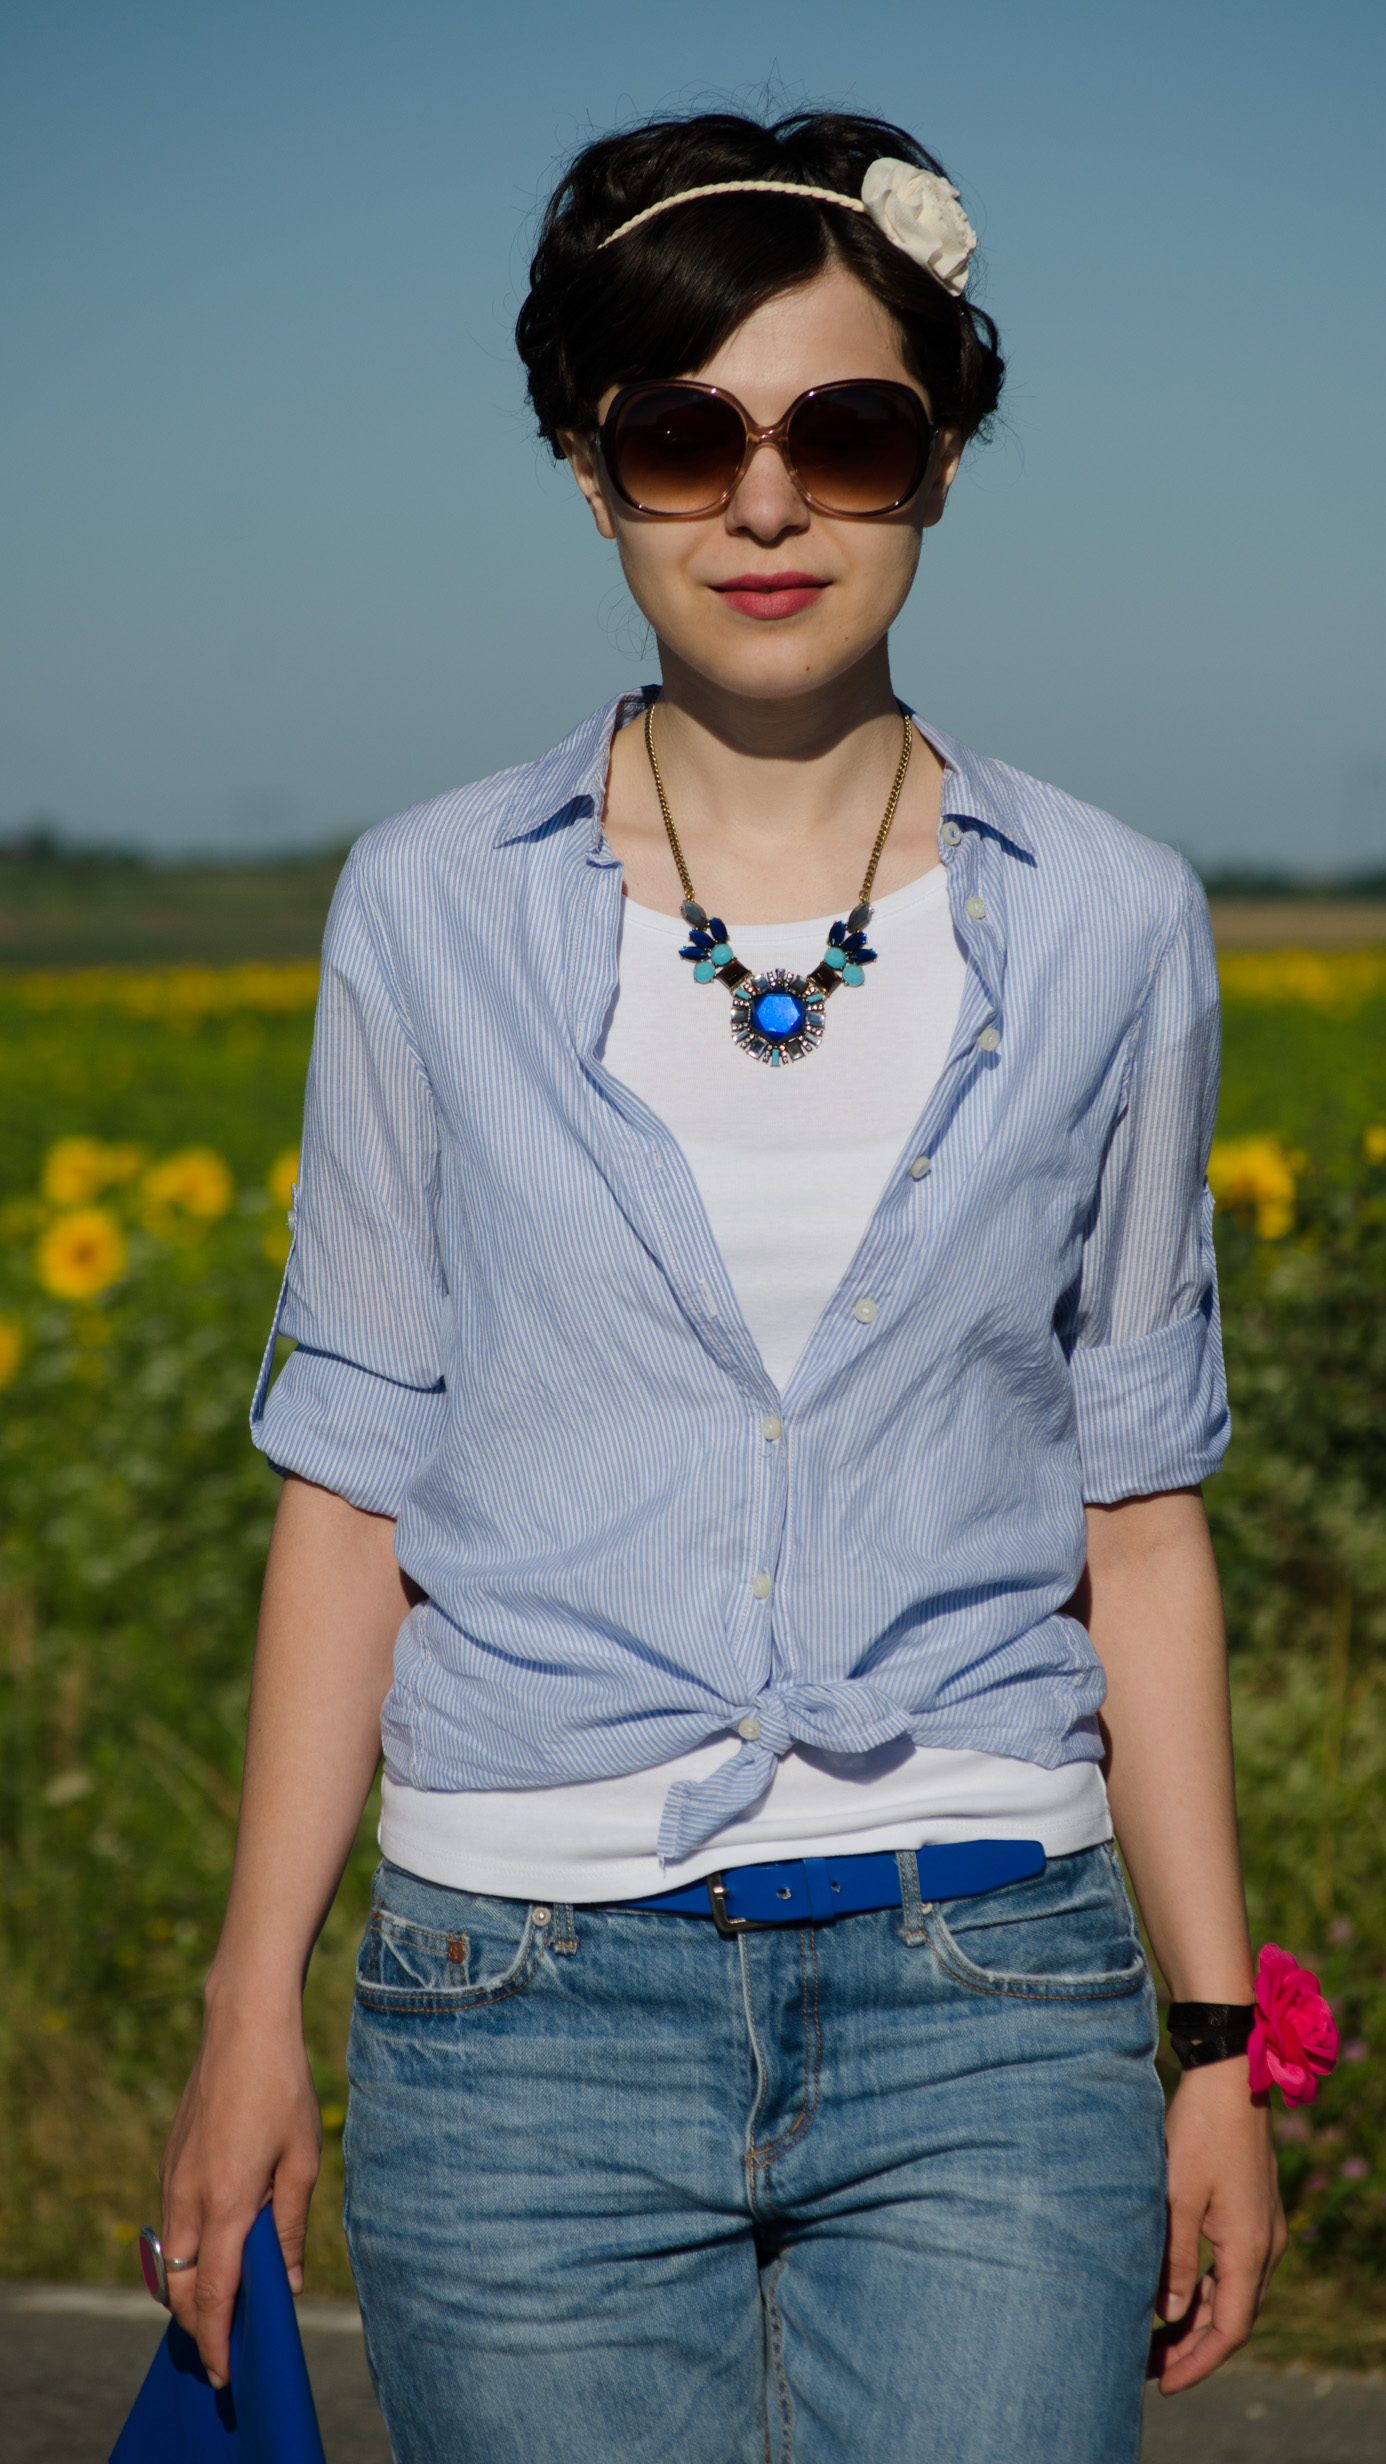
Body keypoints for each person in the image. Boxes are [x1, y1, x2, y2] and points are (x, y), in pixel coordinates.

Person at [157, 108, 1285, 2463]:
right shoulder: (428, 907)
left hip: (995, 1977)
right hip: (514, 1990)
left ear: (940, 463)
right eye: (686, 434)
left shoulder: (1111, 920)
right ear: (597, 475)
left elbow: (1142, 1513)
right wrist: (249, 2001)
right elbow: (352, 1476)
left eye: (845, 430)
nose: (765, 502)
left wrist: (1210, 2047)